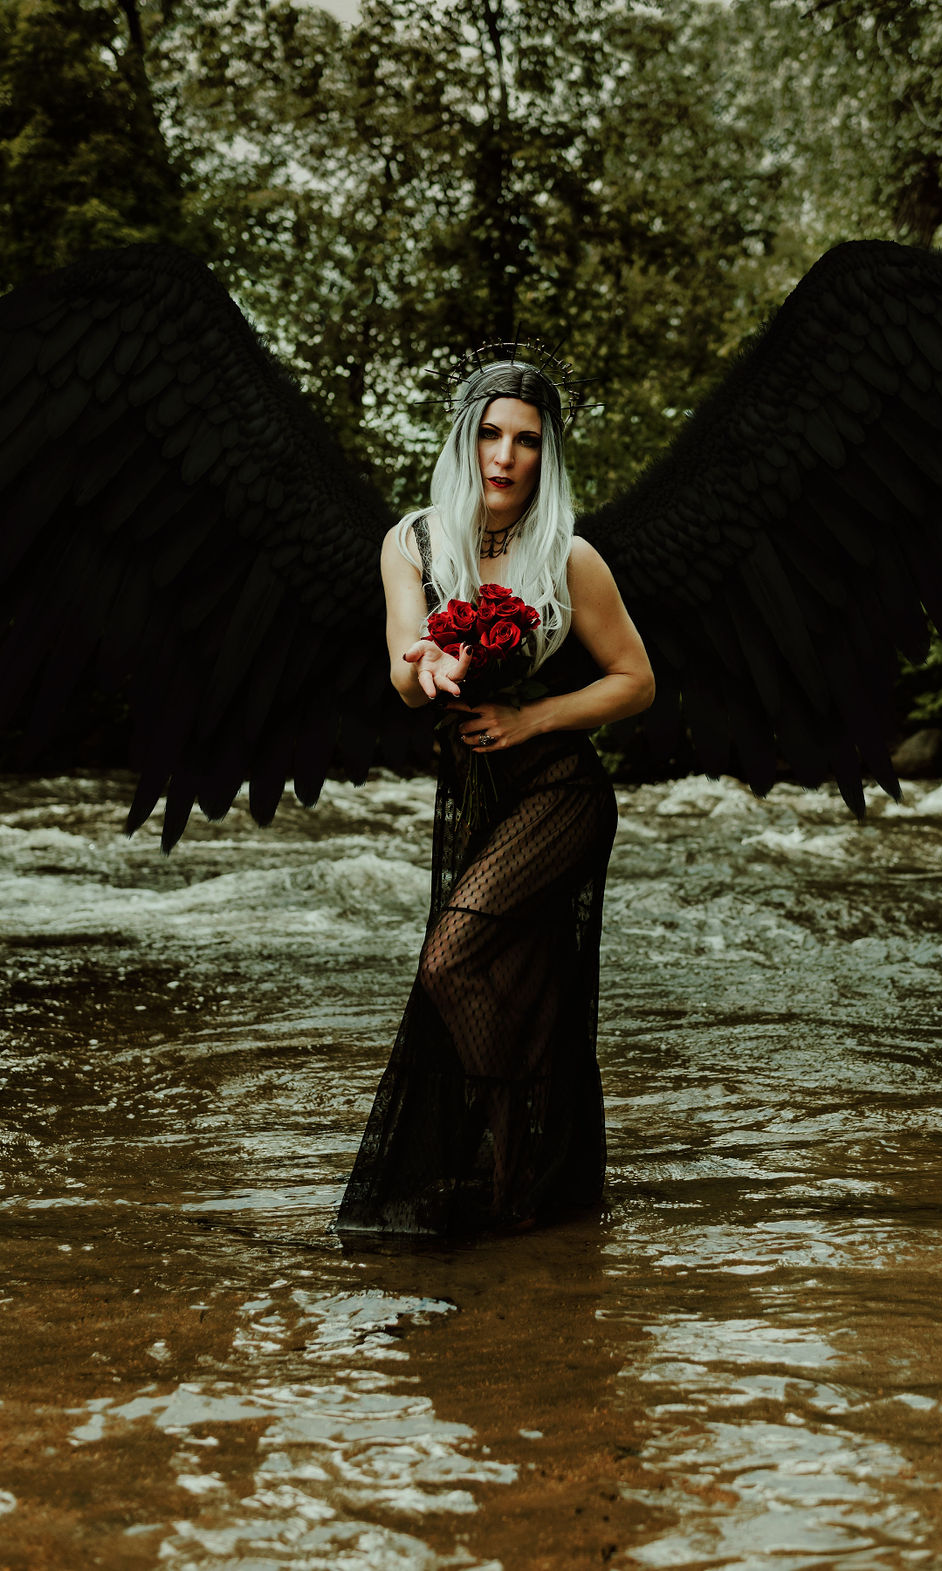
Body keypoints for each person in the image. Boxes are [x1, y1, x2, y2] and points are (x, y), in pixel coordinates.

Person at [335, 357, 655, 1235]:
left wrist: (537, 716)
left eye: (525, 440)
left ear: (545, 457)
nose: (504, 455)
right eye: (489, 433)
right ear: (463, 439)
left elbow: (636, 682)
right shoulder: (413, 544)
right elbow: (406, 671)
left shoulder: (569, 556)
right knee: (518, 995)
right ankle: (533, 1177)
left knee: (452, 964)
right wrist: (427, 664)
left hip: (558, 793)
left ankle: (520, 1166)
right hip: (475, 799)